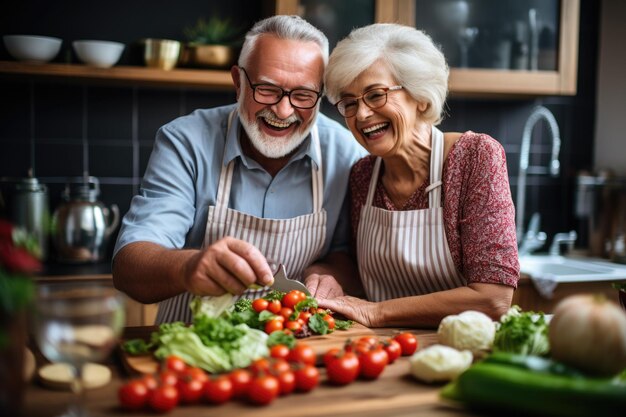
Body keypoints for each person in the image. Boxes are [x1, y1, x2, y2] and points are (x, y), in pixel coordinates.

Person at [112, 15, 367, 324]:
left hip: (297, 351)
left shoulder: (346, 153)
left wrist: (328, 273)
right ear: (238, 82)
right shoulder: (186, 141)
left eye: (302, 95)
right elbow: (129, 266)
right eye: (267, 90)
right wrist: (188, 267)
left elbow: (347, 255)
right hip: (191, 347)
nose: (283, 111)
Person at [318, 23, 519, 328]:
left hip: (456, 351)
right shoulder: (363, 175)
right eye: (349, 102)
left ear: (421, 97)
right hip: (378, 350)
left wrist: (378, 312)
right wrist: (321, 276)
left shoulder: (474, 157)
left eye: (375, 95)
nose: (361, 115)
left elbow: (494, 299)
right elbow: (359, 279)